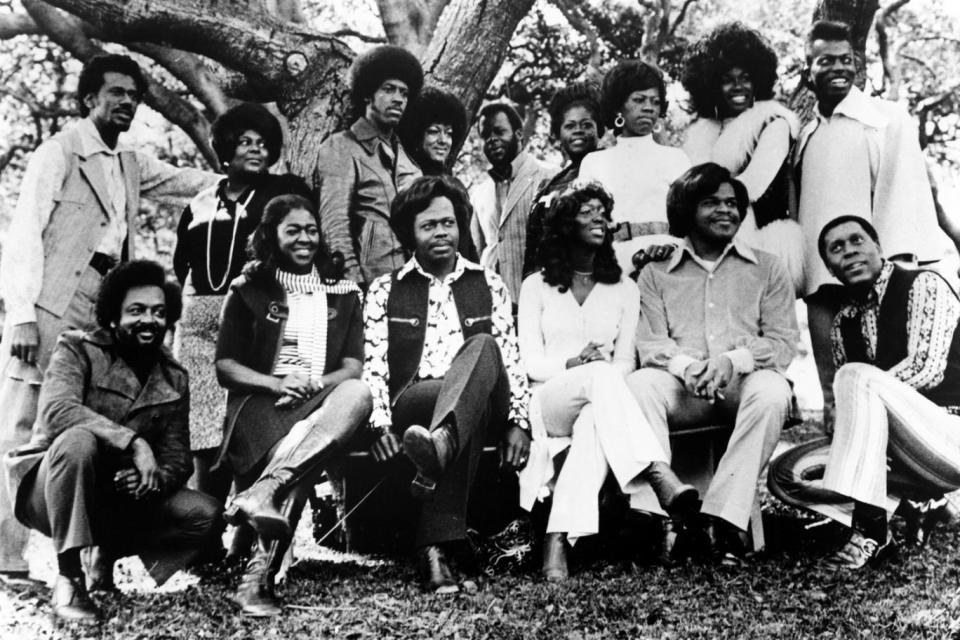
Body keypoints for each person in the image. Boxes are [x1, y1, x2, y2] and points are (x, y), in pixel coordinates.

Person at [0, 53, 217, 585]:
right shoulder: (59, 152)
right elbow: (25, 231)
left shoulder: (128, 161)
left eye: (134, 95)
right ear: (88, 100)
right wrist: (22, 313)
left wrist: (245, 176)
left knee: (101, 417)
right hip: (53, 301)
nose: (126, 102)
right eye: (115, 92)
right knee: (25, 423)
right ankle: (7, 554)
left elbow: (182, 180)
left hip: (108, 303)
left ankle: (99, 549)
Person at [7, 260, 221, 622]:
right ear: (112, 317)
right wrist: (134, 443)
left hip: (119, 499)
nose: (148, 320)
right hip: (52, 489)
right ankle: (70, 576)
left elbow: (178, 457)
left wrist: (152, 481)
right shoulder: (77, 347)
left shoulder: (174, 377)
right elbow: (58, 411)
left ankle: (105, 555)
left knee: (205, 515)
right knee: (77, 441)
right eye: (135, 311)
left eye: (158, 312)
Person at [517, 182, 697, 581]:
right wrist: (572, 363)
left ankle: (557, 539)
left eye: (603, 211)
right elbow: (529, 363)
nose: (600, 218)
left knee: (594, 421)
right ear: (565, 224)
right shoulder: (535, 286)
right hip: (549, 400)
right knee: (596, 376)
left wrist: (594, 373)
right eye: (587, 211)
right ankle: (655, 470)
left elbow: (624, 364)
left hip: (601, 403)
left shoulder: (625, 289)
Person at [363, 175, 531, 593]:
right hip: (414, 404)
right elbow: (374, 364)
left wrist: (519, 421)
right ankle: (443, 542)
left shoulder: (488, 282)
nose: (442, 233)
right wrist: (380, 424)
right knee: (462, 414)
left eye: (449, 223)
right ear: (409, 234)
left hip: (485, 400)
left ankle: (435, 543)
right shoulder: (387, 289)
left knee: (484, 345)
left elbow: (511, 357)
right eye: (429, 226)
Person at [626, 163, 797, 563]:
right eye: (711, 203)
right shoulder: (653, 272)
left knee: (774, 391)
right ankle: (662, 522)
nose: (726, 211)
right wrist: (688, 368)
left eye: (732, 203)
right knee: (638, 387)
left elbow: (783, 342)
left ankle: (722, 523)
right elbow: (651, 343)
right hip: (682, 390)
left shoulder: (768, 267)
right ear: (687, 210)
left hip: (742, 388)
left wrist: (732, 361)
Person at [214, 194, 372, 616]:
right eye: (293, 230)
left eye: (311, 230)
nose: (305, 238)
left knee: (355, 396)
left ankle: (262, 508)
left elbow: (353, 366)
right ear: (271, 236)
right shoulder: (249, 289)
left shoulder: (343, 293)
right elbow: (225, 366)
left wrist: (316, 383)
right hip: (260, 407)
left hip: (319, 404)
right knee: (304, 445)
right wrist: (276, 381)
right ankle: (258, 574)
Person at [774, 216, 960, 570]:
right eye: (837, 248)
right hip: (899, 453)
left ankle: (871, 530)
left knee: (855, 376)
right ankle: (919, 505)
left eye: (857, 241)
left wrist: (869, 412)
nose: (849, 252)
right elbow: (855, 406)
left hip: (948, 437)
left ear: (879, 247)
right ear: (829, 266)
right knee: (786, 474)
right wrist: (866, 424)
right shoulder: (844, 320)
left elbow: (927, 368)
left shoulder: (923, 284)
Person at [172, 103, 312, 558]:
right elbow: (182, 262)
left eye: (263, 143)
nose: (256, 149)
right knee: (203, 427)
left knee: (245, 420)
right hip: (198, 318)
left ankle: (248, 537)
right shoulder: (200, 200)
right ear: (225, 150)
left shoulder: (280, 193)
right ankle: (203, 534)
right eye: (245, 142)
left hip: (253, 312)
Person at [794, 20, 948, 423]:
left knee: (887, 380)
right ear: (807, 67)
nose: (838, 69)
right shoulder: (806, 132)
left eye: (846, 60)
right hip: (821, 279)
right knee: (834, 395)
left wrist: (895, 271)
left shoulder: (885, 118)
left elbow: (903, 196)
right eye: (826, 61)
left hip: (876, 277)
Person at [681, 22, 803, 291]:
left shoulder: (773, 122)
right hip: (713, 244)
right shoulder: (704, 131)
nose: (738, 86)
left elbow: (754, 186)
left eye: (745, 77)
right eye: (727, 79)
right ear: (712, 85)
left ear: (758, 80)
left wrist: (698, 197)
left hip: (762, 244)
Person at [314, 44, 424, 286]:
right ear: (367, 94)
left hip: (414, 283)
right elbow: (334, 222)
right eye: (389, 89)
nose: (398, 99)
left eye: (404, 93)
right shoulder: (341, 147)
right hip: (369, 283)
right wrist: (351, 281)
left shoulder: (407, 158)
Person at [579, 60, 691, 271]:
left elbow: (690, 223)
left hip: (670, 262)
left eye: (655, 102)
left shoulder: (676, 159)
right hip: (615, 263)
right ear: (618, 106)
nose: (648, 108)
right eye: (639, 100)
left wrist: (673, 248)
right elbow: (586, 224)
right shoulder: (595, 163)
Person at [470, 101, 557, 303]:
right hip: (495, 304)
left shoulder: (549, 176)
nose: (492, 140)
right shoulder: (479, 194)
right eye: (485, 136)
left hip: (540, 299)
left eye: (499, 132)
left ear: (518, 134)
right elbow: (476, 253)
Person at [522, 81, 605, 277]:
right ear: (558, 133)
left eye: (586, 125)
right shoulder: (547, 185)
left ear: (599, 130)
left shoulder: (609, 171)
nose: (578, 130)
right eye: (570, 126)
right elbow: (533, 246)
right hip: (547, 283)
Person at [397, 86, 477, 260]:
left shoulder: (455, 184)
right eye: (434, 131)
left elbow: (467, 244)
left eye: (449, 133)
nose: (443, 140)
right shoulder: (408, 179)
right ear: (417, 134)